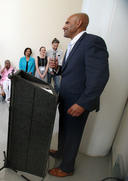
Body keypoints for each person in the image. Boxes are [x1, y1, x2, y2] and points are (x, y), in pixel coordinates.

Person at [48, 13, 109, 177]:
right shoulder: (72, 45)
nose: (63, 26)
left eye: (67, 22)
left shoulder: (93, 42)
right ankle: (61, 152)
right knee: (64, 129)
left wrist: (83, 103)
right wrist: (57, 69)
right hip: (66, 99)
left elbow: (99, 77)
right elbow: (73, 72)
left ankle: (67, 168)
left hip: (77, 101)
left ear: (79, 23)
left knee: (73, 134)